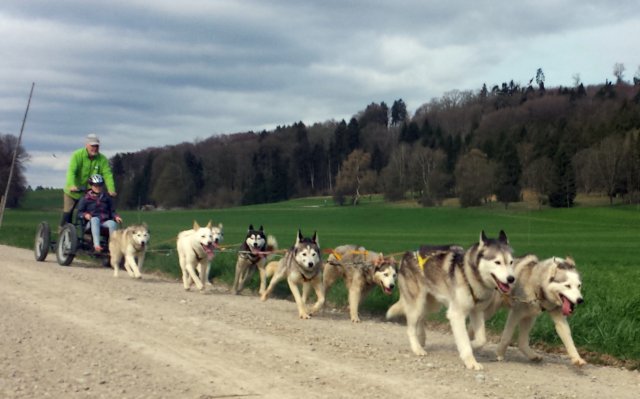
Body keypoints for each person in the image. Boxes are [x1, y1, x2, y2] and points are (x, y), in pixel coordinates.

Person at [61, 133, 117, 227]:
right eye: (92, 146)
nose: (94, 148)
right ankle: (62, 232)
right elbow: (71, 171)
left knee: (91, 213)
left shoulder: (102, 159)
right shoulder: (77, 155)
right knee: (68, 212)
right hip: (73, 191)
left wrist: (111, 189)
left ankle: (87, 234)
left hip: (89, 192)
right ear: (86, 145)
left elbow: (107, 174)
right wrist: (72, 185)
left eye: (96, 146)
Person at [76, 174, 122, 252]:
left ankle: (113, 247)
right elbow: (79, 212)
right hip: (90, 223)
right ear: (91, 185)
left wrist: (116, 217)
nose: (98, 187)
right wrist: (85, 215)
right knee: (95, 219)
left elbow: (112, 211)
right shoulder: (85, 198)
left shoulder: (106, 197)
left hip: (104, 221)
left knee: (112, 223)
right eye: (95, 185)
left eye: (100, 185)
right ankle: (96, 245)